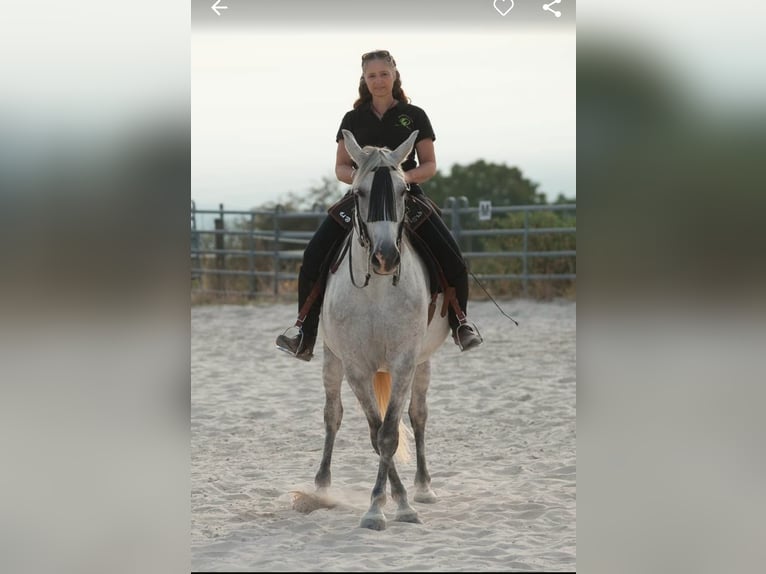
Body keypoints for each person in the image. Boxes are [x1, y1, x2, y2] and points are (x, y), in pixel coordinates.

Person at [276, 49, 483, 361]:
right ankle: (304, 330)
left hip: (406, 195)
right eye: (371, 75)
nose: (378, 80)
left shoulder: (415, 115)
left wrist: (401, 178)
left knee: (452, 255)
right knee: (314, 254)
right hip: (362, 197)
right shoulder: (352, 119)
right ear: (364, 79)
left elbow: (429, 164)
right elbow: (341, 168)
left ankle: (460, 323)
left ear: (395, 75)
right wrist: (363, 178)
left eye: (384, 74)